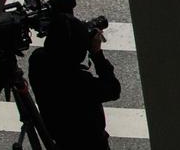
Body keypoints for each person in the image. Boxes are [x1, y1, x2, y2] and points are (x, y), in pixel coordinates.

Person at [28, 15, 120, 149]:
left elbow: (58, 50)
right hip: (91, 144)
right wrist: (97, 53)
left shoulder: (37, 61)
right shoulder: (80, 82)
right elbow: (113, 89)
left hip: (61, 140)